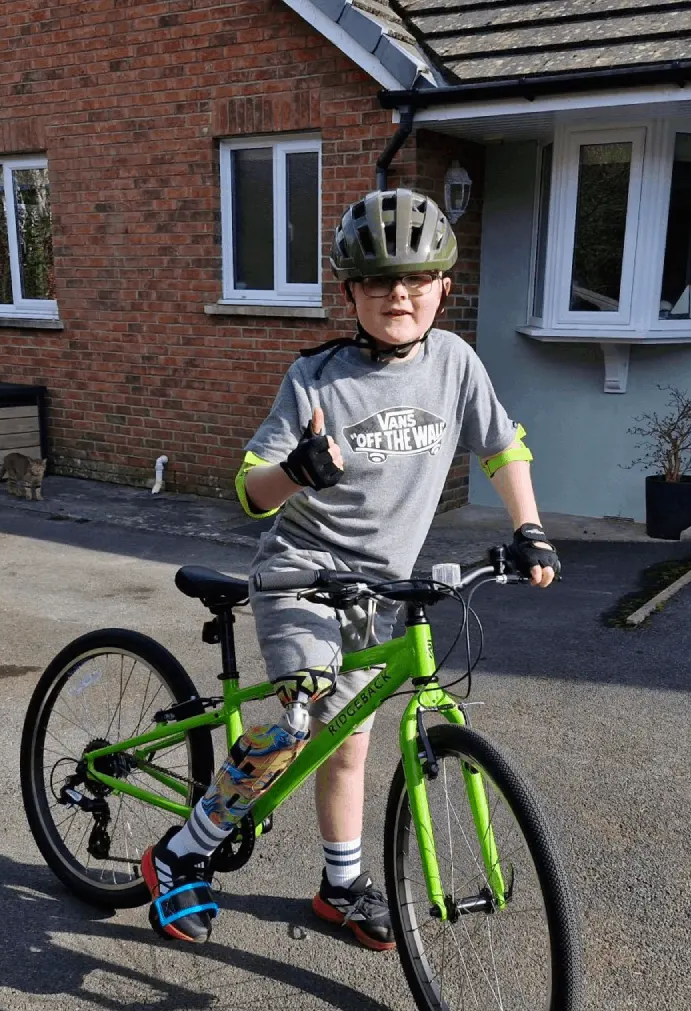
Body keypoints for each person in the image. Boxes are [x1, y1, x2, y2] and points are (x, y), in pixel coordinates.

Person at [140, 188, 559, 949]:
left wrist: (529, 529)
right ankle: (181, 853)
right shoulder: (316, 377)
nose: (399, 295)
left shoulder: (455, 363)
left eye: (416, 278)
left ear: (443, 287)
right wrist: (297, 470)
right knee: (302, 717)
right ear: (350, 295)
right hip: (301, 573)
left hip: (380, 588)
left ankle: (340, 887)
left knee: (350, 740)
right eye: (378, 282)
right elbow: (251, 492)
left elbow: (503, 446)